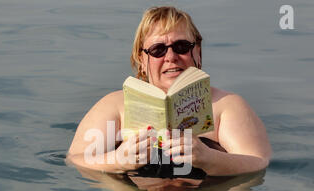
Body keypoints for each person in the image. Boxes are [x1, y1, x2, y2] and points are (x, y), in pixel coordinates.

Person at [66, 6, 272, 176]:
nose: (171, 57)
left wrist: (210, 159)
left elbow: (257, 162)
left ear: (197, 52)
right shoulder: (114, 106)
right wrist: (118, 160)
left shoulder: (227, 105)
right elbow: (76, 159)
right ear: (142, 60)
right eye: (158, 50)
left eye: (181, 46)